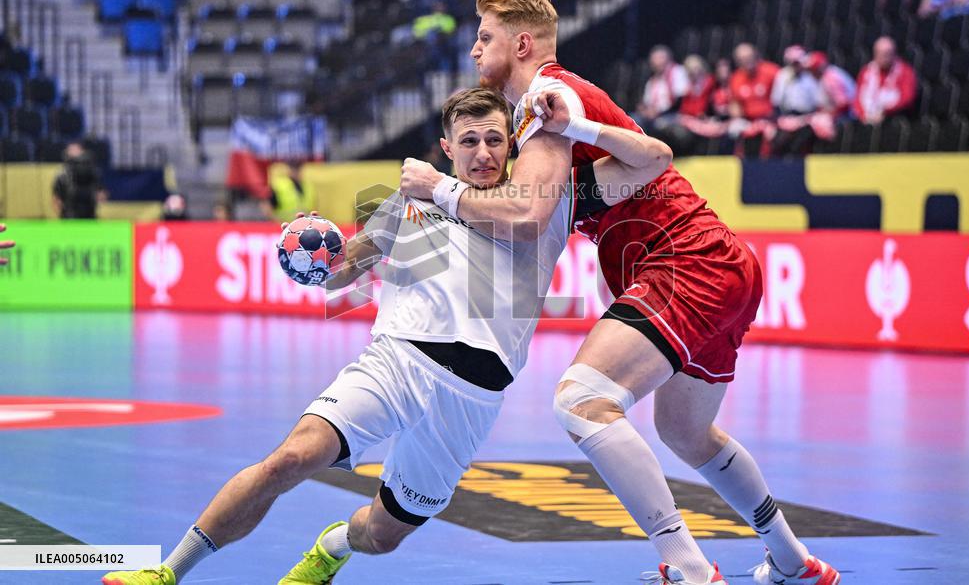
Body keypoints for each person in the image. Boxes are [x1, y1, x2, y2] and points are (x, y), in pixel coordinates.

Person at [101, 87, 672, 585]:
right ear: (447, 148)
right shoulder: (407, 202)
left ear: (512, 145)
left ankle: (330, 550)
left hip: (472, 402)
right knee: (288, 460)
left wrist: (574, 126)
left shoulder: (549, 200)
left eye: (495, 140)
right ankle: (169, 570)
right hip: (395, 363)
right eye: (468, 141)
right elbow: (347, 268)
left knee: (382, 533)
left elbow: (652, 162)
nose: (482, 153)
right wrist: (319, 257)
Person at [398, 0, 840, 585]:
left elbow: (534, 214)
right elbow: (630, 165)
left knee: (581, 401)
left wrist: (439, 188)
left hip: (683, 260)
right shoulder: (552, 111)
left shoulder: (545, 101)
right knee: (683, 431)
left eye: (485, 37)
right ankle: (794, 561)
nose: (474, 50)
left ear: (521, 42)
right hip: (718, 260)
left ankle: (687, 566)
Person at [853, 36, 918, 124]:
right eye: (880, 53)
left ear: (894, 54)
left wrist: (884, 112)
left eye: (887, 54)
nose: (883, 57)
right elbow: (857, 99)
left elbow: (907, 99)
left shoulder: (905, 72)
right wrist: (864, 115)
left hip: (893, 118)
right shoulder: (866, 72)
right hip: (867, 118)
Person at [635, 45, 691, 129]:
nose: (657, 62)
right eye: (654, 59)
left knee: (658, 125)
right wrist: (644, 110)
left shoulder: (678, 72)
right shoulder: (652, 81)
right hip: (654, 116)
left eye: (660, 58)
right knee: (633, 120)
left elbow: (680, 100)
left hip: (673, 114)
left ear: (668, 59)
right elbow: (647, 103)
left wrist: (659, 112)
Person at [52, 141, 105, 219]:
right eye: (71, 150)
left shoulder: (93, 173)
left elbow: (101, 195)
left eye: (76, 150)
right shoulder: (62, 175)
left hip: (89, 218)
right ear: (66, 153)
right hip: (69, 219)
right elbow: (56, 200)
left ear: (83, 152)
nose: (74, 153)